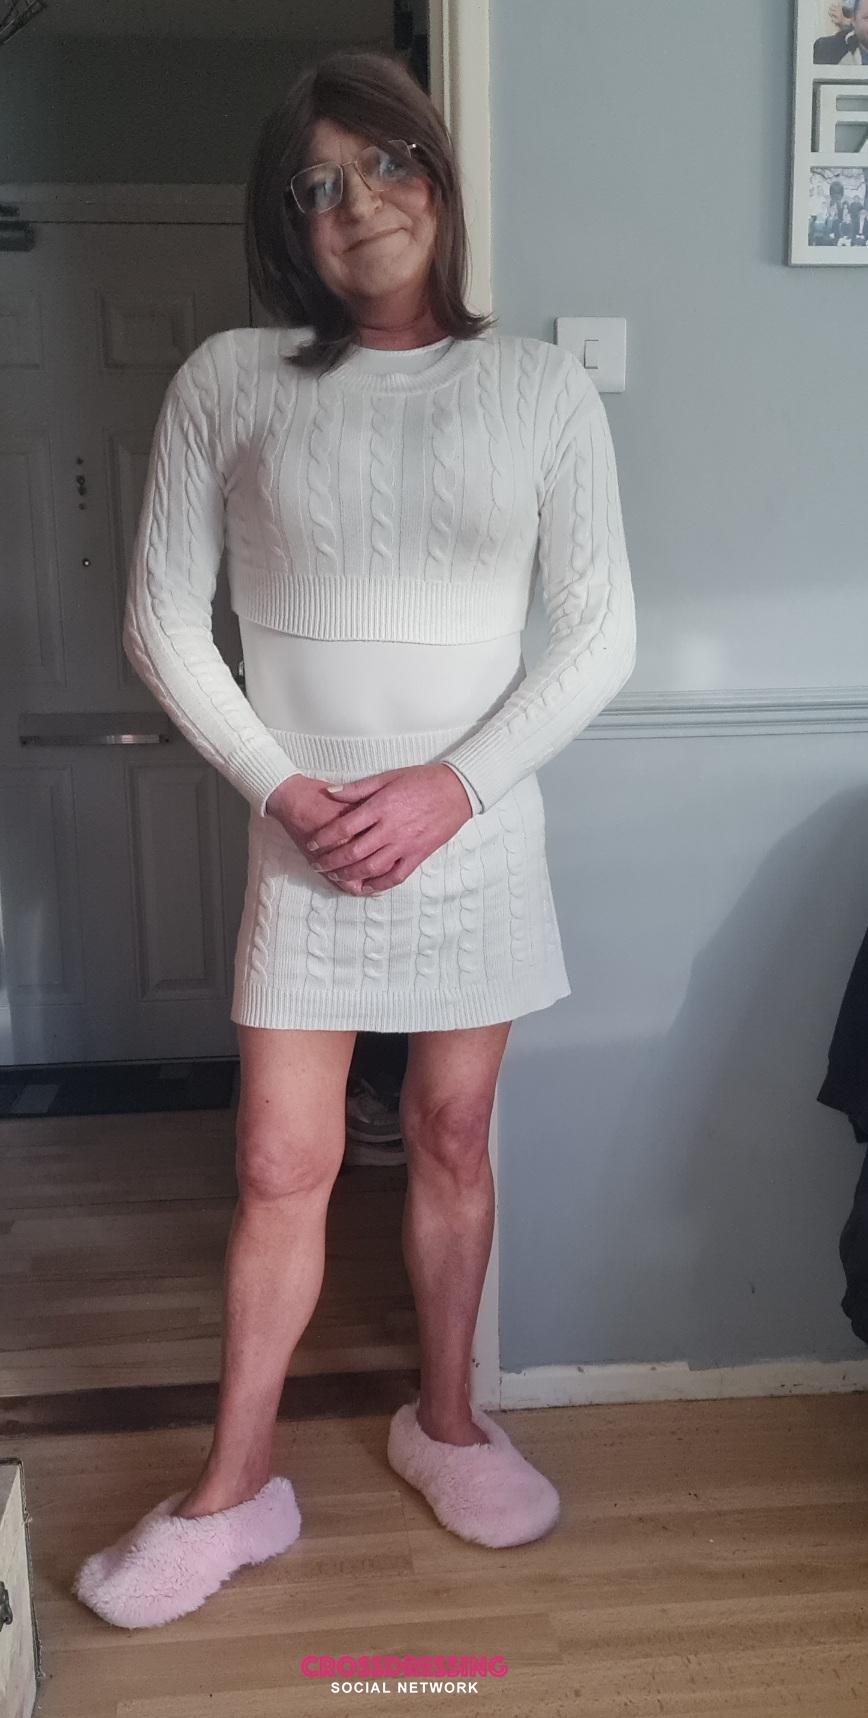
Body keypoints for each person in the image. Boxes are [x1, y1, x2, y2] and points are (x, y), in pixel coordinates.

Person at [73, 49, 637, 1629]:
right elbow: (160, 624)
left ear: (437, 177)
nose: (358, 204)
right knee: (277, 1161)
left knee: (453, 1136)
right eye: (316, 186)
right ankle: (234, 1487)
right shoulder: (227, 379)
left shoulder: (540, 389)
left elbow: (600, 634)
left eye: (384, 164)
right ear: (286, 226)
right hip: (301, 837)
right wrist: (280, 785)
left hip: (476, 833)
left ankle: (446, 1422)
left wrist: (453, 786)